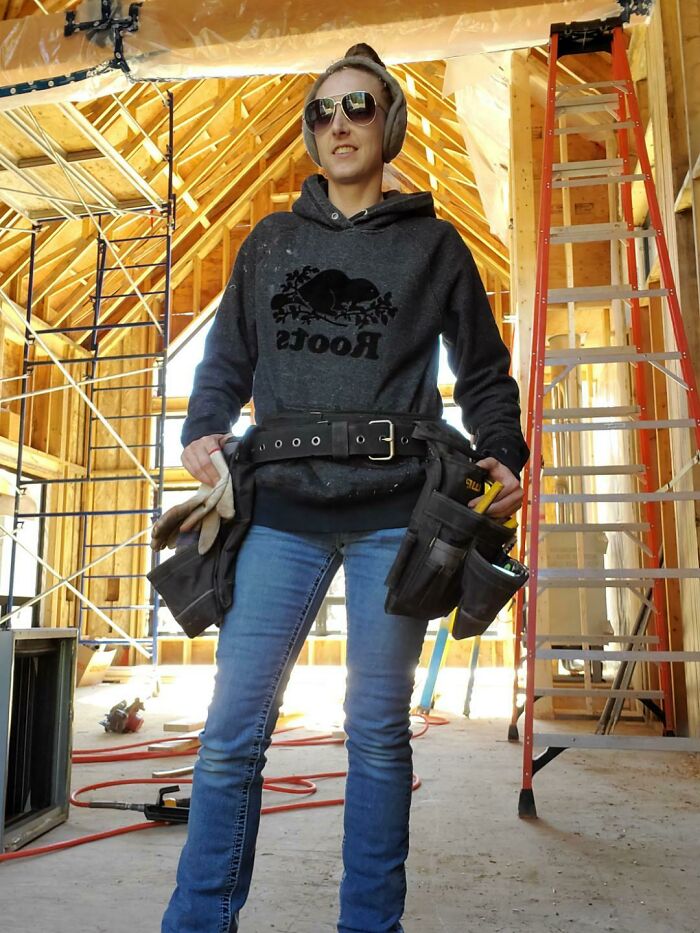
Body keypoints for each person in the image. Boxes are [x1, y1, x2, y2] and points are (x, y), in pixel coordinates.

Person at [161, 43, 529, 933]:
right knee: (230, 735)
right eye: (323, 111)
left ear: (388, 121)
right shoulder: (268, 242)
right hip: (279, 511)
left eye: (358, 107)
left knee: (375, 733)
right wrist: (203, 429)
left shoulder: (435, 245)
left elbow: (483, 371)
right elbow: (224, 366)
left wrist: (503, 450)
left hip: (394, 515)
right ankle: (198, 922)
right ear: (310, 133)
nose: (339, 124)